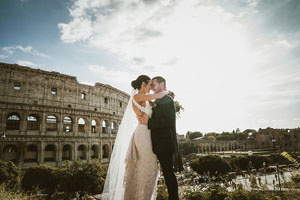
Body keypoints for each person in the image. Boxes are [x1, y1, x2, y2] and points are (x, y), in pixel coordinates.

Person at [102, 75, 168, 200]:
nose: (151, 88)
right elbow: (160, 96)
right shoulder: (138, 96)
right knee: (149, 167)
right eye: (150, 85)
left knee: (147, 168)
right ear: (143, 84)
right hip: (143, 134)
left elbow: (155, 106)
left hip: (146, 133)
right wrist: (167, 92)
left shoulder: (146, 99)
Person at [140, 76, 179, 200]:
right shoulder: (162, 99)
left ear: (162, 85)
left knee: (168, 173)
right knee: (167, 173)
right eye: (150, 86)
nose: (151, 88)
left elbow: (168, 122)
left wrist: (149, 122)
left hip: (165, 143)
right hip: (161, 143)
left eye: (154, 85)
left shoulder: (167, 99)